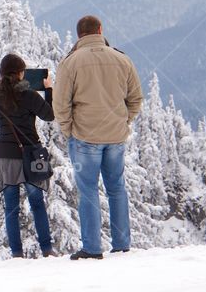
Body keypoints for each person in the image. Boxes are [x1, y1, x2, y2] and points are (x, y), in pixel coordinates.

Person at [53, 15, 143, 260]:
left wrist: (68, 129)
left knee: (88, 191)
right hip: (115, 136)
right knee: (117, 188)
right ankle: (122, 244)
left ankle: (92, 248)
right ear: (100, 30)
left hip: (84, 136)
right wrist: (124, 121)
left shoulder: (70, 63)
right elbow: (135, 98)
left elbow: (60, 103)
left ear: (79, 35)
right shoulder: (122, 59)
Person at [0, 53, 56, 258]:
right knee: (37, 203)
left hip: (6, 155)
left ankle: (16, 253)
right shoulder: (30, 96)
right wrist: (48, 89)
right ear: (20, 73)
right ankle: (46, 249)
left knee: (11, 208)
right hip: (33, 153)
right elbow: (49, 115)